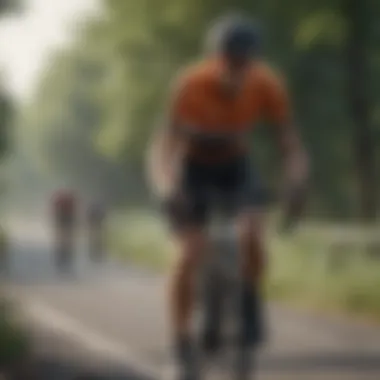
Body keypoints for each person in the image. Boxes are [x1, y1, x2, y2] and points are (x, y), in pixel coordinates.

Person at [146, 13, 309, 380]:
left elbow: (289, 142)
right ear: (215, 59)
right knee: (188, 254)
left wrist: (297, 179)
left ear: (254, 62)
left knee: (252, 232)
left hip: (236, 166)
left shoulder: (267, 83)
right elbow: (162, 146)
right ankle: (181, 342)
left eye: (244, 63)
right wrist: (167, 187)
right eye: (229, 62)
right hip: (193, 167)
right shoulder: (190, 84)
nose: (236, 71)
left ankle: (249, 299)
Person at [51, 189, 78, 269]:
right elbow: (74, 212)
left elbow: (54, 211)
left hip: (61, 220)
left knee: (61, 239)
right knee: (68, 239)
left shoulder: (59, 199)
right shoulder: (70, 200)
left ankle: (61, 256)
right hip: (68, 220)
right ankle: (67, 256)